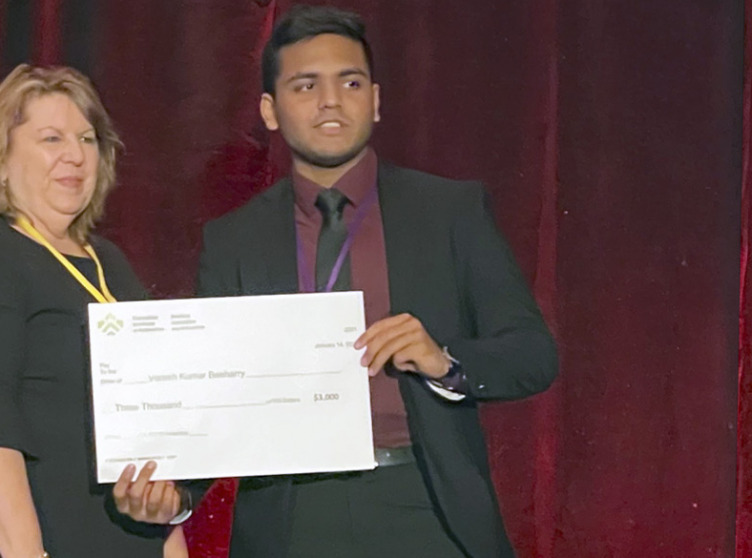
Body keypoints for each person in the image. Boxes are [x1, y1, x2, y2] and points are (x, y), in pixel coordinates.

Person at [176, 6, 559, 558]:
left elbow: (533, 354)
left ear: (375, 99)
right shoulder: (232, 240)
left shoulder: (449, 211)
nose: (330, 100)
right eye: (306, 85)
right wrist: (176, 493)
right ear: (270, 110)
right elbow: (215, 395)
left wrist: (444, 361)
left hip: (424, 503)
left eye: (349, 82)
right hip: (292, 515)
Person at [0, 64, 182, 558]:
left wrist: (169, 523)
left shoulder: (110, 264)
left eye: (87, 139)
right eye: (52, 138)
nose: (75, 155)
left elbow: (152, 431)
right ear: (1, 159)